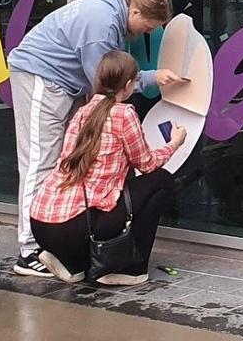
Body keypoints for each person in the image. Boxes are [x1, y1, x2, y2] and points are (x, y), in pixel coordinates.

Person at [7, 0, 183, 277]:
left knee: (57, 161)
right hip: (41, 79)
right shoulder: (101, 25)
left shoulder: (110, 11)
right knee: (39, 161)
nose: (149, 32)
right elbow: (107, 82)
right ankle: (28, 251)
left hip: (63, 83)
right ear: (136, 11)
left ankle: (55, 243)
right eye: (150, 25)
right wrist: (152, 78)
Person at [30, 50, 185, 285]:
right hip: (76, 224)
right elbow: (147, 164)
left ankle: (71, 264)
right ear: (130, 84)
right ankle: (129, 268)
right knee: (160, 180)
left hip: (41, 223)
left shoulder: (82, 112)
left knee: (104, 197)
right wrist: (174, 143)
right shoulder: (124, 114)